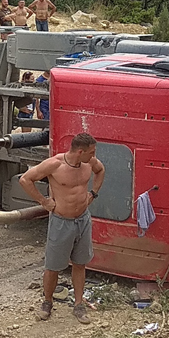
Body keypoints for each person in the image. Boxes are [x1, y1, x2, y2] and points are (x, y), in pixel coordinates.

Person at [20, 133, 105, 324]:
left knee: (80, 263)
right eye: (91, 152)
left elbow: (101, 171)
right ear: (80, 151)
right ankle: (47, 302)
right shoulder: (55, 165)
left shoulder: (89, 163)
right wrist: (44, 201)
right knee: (53, 266)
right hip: (61, 221)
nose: (94, 155)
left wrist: (93, 194)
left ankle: (78, 304)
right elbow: (25, 179)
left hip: (82, 219)